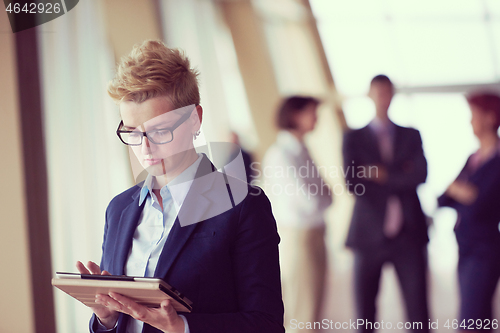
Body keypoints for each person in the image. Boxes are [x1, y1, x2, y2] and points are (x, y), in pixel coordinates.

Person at [76, 40, 284, 333]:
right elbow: (120, 321)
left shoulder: (243, 207)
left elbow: (267, 324)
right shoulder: (119, 208)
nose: (145, 148)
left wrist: (184, 328)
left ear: (195, 119)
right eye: (132, 132)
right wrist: (106, 317)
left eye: (159, 131)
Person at [342, 75, 429, 332]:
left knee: (418, 313)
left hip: (409, 234)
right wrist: (401, 173)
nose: (383, 98)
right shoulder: (353, 138)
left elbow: (421, 175)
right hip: (368, 235)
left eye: (388, 93)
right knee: (365, 315)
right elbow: (353, 183)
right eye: (378, 93)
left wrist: (383, 175)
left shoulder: (411, 135)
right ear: (370, 95)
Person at [262, 96, 332, 333]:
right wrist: (323, 194)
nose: (316, 118)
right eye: (312, 112)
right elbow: (312, 200)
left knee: (314, 307)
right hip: (300, 237)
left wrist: (323, 195)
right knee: (303, 311)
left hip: (315, 233)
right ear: (295, 116)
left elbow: (327, 195)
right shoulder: (282, 154)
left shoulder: (301, 149)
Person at [438, 92, 500, 331]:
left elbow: (481, 202)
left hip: (485, 250)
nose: (470, 121)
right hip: (465, 246)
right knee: (479, 319)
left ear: (489, 117)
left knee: (470, 320)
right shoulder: (472, 158)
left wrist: (459, 191)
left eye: (473, 114)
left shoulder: (496, 161)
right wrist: (463, 192)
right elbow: (444, 198)